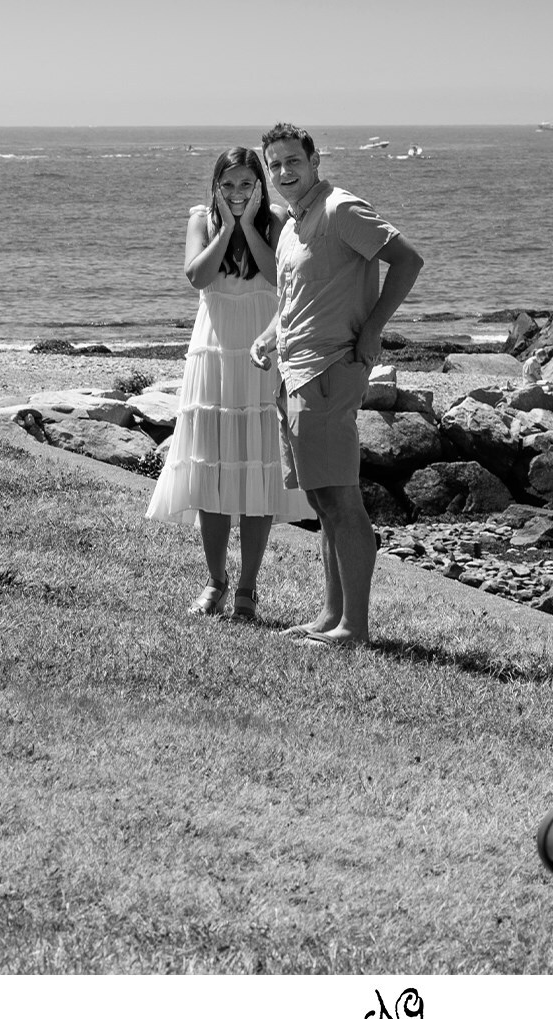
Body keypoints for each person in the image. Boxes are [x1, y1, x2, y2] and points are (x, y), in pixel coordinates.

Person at [251, 123, 424, 647]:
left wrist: (373, 329)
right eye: (275, 164)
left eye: (293, 161)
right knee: (323, 501)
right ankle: (332, 617)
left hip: (329, 369)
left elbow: (408, 259)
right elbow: (295, 298)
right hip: (296, 370)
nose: (284, 171)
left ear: (315, 161)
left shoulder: (340, 209)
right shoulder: (293, 223)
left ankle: (355, 628)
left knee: (342, 501)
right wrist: (270, 337)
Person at [147, 146, 314, 619]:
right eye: (228, 185)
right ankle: (215, 581)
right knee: (213, 468)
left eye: (245, 184)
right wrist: (225, 228)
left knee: (260, 466)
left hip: (261, 353)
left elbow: (278, 278)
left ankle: (246, 589)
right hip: (214, 352)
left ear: (259, 184)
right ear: (216, 187)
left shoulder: (277, 221)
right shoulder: (201, 220)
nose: (237, 193)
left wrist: (249, 225)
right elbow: (197, 276)